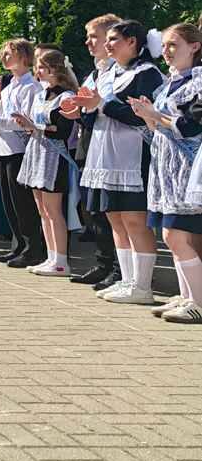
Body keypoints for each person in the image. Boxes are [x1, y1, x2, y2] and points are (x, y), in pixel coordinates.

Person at [74, 20, 165, 304]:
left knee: (135, 220)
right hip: (106, 155)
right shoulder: (108, 73)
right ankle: (127, 280)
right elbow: (94, 115)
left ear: (133, 42)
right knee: (116, 220)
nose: (108, 45)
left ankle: (143, 285)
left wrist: (100, 105)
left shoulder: (147, 73)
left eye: (114, 39)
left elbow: (139, 114)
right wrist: (83, 110)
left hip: (132, 156)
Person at [131, 22, 202, 322]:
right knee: (171, 236)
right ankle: (186, 297)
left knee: (175, 236)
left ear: (194, 47)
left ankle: (198, 301)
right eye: (166, 45)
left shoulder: (198, 81)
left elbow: (193, 126)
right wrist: (149, 117)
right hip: (165, 169)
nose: (167, 51)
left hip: (187, 169)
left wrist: (156, 116)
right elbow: (161, 128)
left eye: (174, 44)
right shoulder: (169, 84)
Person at [0, 39, 46, 268]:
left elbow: (24, 122)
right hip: (5, 149)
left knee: (23, 202)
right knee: (10, 202)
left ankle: (33, 248)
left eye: (7, 54)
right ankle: (19, 247)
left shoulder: (31, 86)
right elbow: (2, 120)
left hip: (21, 149)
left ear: (23, 56)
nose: (2, 58)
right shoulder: (9, 88)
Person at [65, 14, 122, 288]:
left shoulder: (122, 70)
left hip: (118, 151)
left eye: (94, 37)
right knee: (98, 209)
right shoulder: (95, 71)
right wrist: (78, 111)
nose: (88, 42)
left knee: (117, 213)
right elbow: (90, 113)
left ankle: (122, 270)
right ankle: (102, 263)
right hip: (94, 146)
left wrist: (91, 107)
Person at [14, 49, 79, 277]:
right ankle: (51, 256)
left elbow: (63, 131)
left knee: (53, 209)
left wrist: (35, 127)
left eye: (41, 67)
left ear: (54, 68)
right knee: (42, 209)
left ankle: (61, 260)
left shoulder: (66, 97)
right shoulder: (42, 95)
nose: (37, 71)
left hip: (55, 157)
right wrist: (26, 123)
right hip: (37, 154)